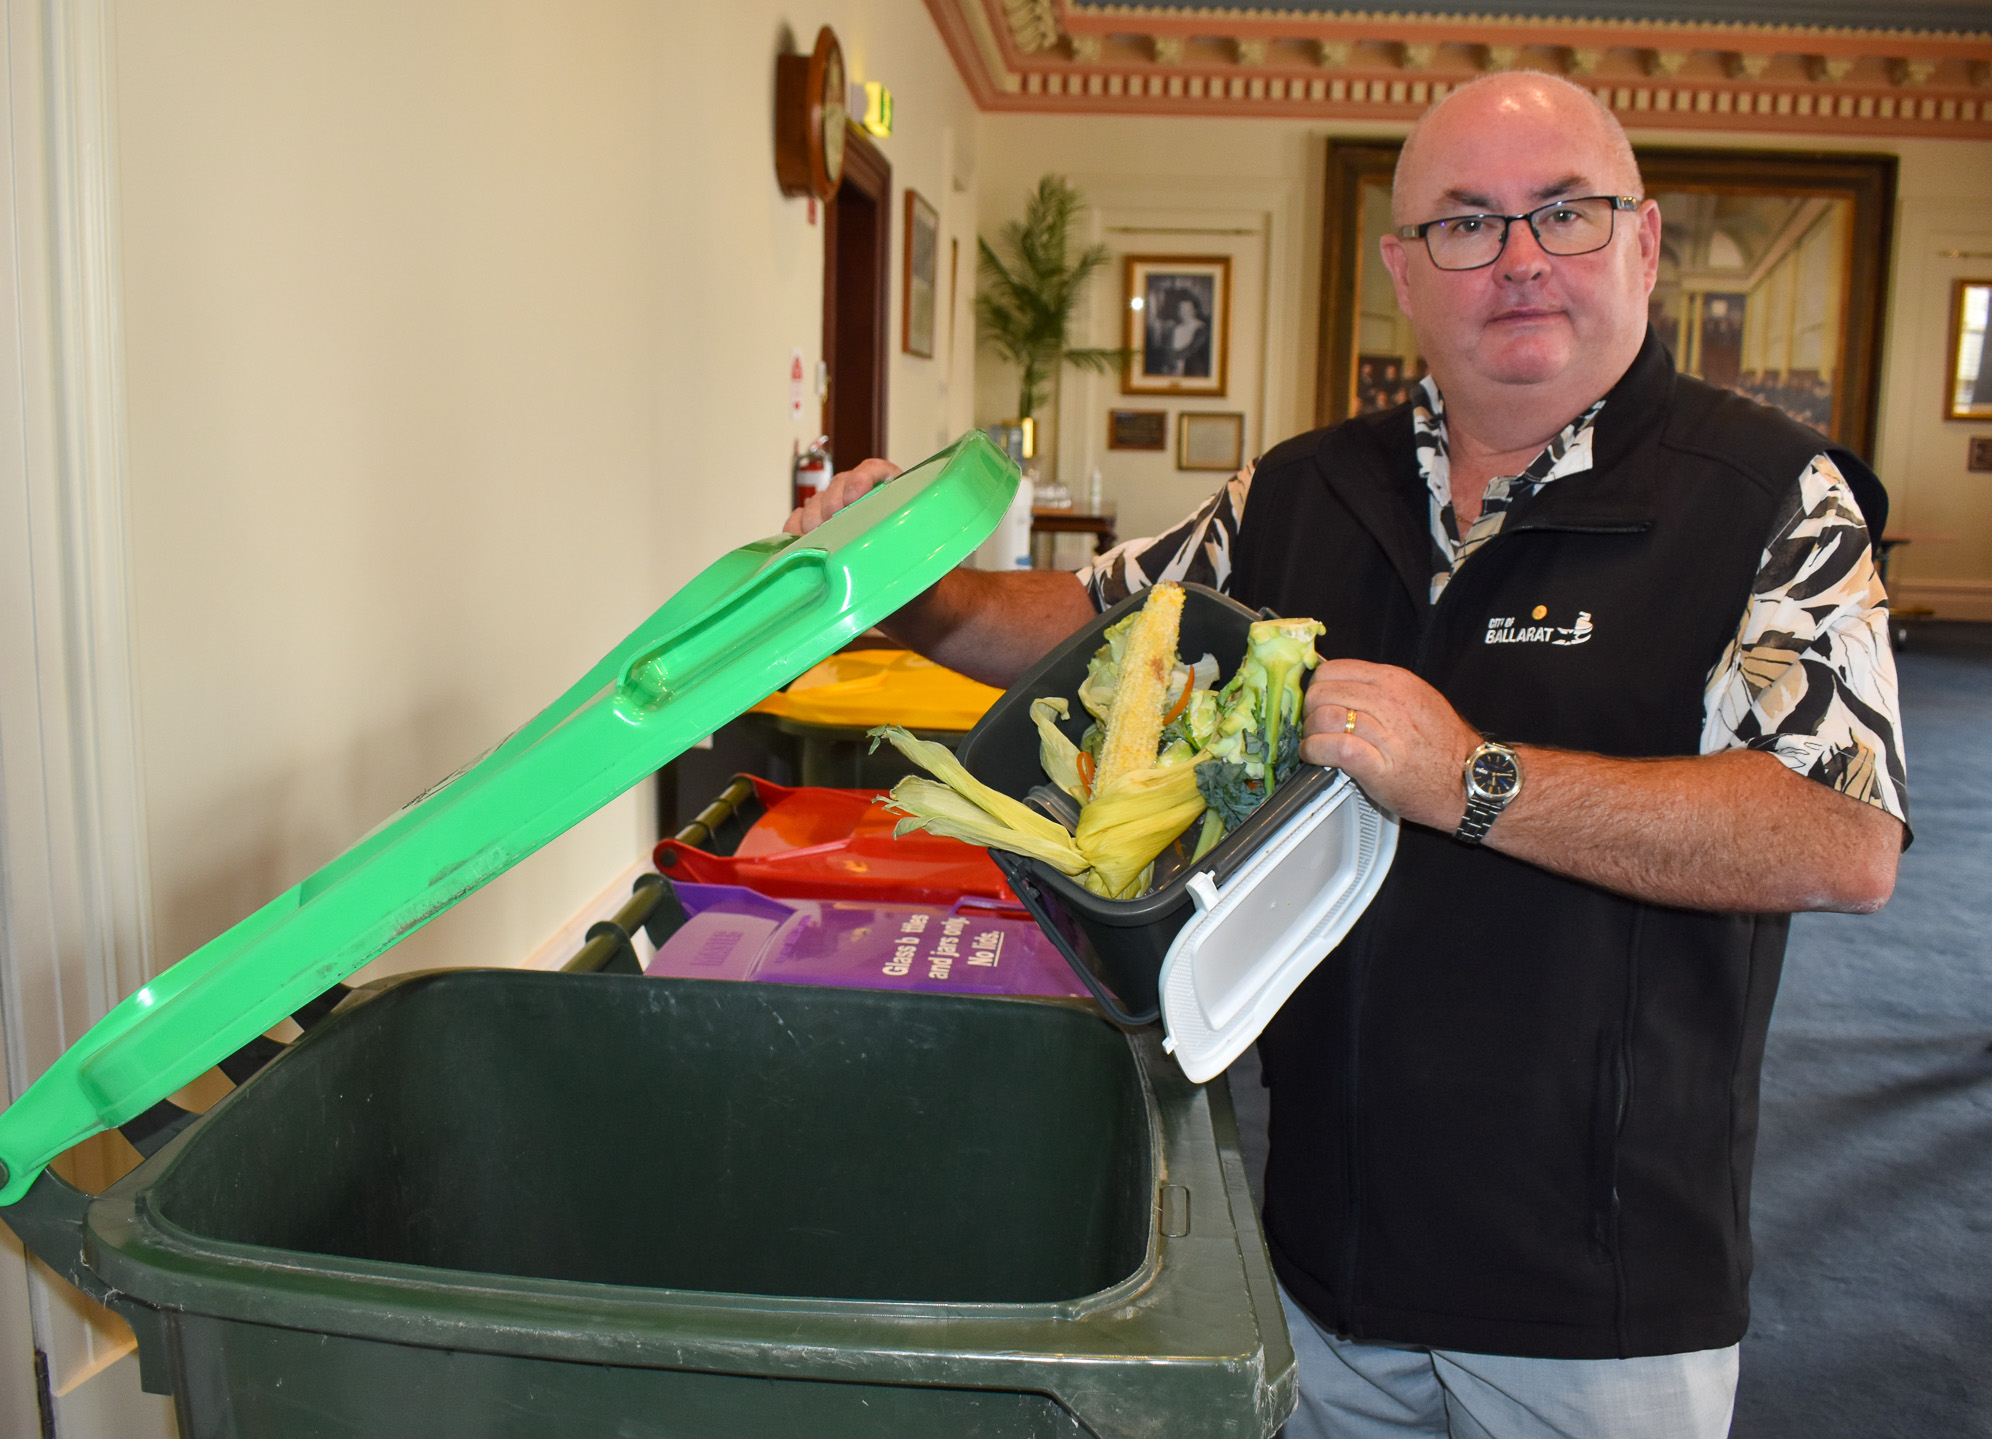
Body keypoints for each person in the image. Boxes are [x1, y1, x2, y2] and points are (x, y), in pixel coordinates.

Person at [787, 71, 1906, 1439]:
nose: (1518, 261)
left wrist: (1472, 779)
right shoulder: (1302, 490)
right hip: (1318, 1256)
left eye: (1565, 213)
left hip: (1595, 1295)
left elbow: (1840, 839)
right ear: (1401, 269)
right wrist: (902, 587)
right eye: (1464, 224)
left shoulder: (1776, 500)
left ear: (1646, 240)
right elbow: (1099, 628)